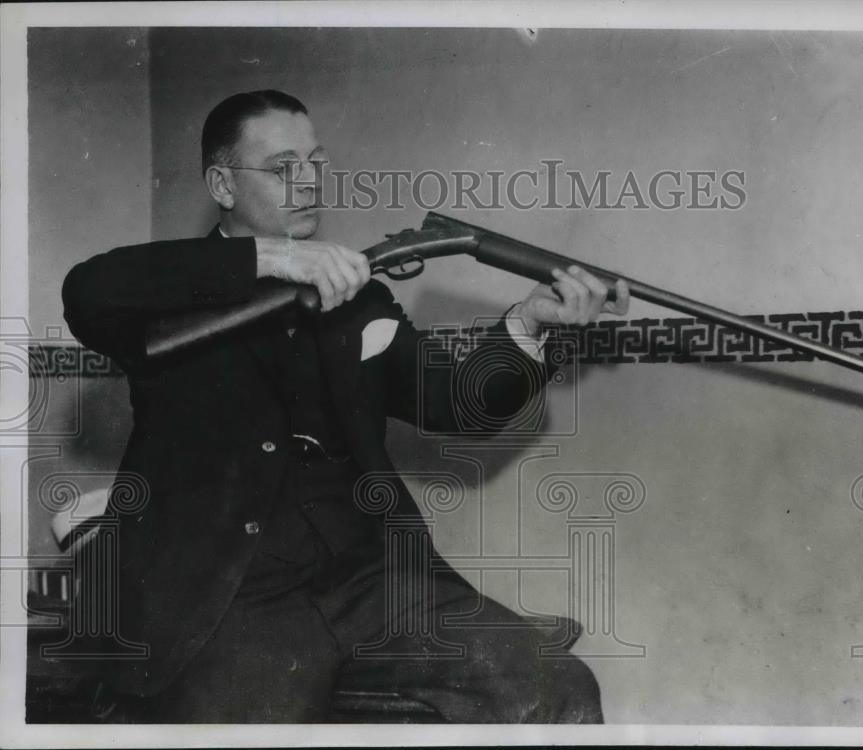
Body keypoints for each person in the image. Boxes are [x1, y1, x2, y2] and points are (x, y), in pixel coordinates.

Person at [60, 90, 630, 723]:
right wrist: (272, 257)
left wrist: (529, 324)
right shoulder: (166, 298)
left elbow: (455, 401)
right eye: (282, 169)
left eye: (316, 164)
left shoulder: (359, 299)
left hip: (375, 581)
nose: (307, 184)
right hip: (232, 598)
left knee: (559, 691)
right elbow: (88, 288)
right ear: (222, 183)